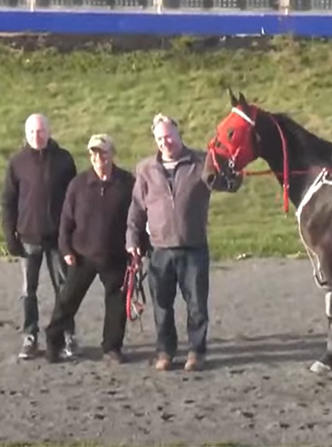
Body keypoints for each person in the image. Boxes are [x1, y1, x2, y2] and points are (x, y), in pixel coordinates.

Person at [126, 114, 213, 372]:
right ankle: (165, 351)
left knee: (197, 303)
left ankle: (196, 352)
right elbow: (136, 210)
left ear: (178, 134)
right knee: (162, 305)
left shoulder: (201, 162)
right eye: (160, 138)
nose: (166, 142)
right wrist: (132, 240)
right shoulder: (145, 169)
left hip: (193, 246)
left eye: (169, 136)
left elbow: (230, 183)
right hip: (159, 249)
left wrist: (230, 169)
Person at [44, 134, 135, 364]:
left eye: (102, 152)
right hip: (82, 255)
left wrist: (138, 247)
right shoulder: (79, 184)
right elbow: (66, 220)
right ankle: (53, 343)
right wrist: (65, 248)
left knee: (116, 305)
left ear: (112, 154)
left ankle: (112, 347)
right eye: (93, 153)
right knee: (66, 301)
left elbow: (137, 218)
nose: (98, 158)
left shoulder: (127, 183)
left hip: (116, 255)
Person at [1, 113, 78, 360]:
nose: (38, 136)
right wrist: (9, 235)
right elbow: (8, 201)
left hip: (57, 238)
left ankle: (66, 335)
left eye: (41, 131)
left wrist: (72, 234)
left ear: (49, 131)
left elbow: (73, 200)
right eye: (33, 132)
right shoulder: (17, 162)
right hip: (28, 238)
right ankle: (30, 336)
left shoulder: (64, 160)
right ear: (26, 134)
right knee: (28, 291)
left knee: (64, 289)